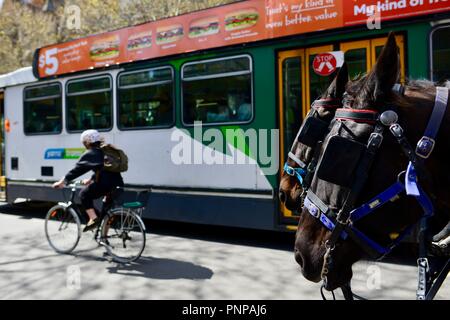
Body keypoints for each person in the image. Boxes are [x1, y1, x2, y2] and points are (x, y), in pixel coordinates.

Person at [52, 129, 124, 232]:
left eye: (84, 143)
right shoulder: (105, 150)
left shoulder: (91, 153)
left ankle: (94, 219)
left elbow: (77, 169)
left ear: (87, 142)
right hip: (118, 184)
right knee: (106, 213)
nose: (84, 145)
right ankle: (104, 237)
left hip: (105, 185)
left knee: (84, 195)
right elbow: (104, 170)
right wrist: (91, 179)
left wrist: (62, 182)